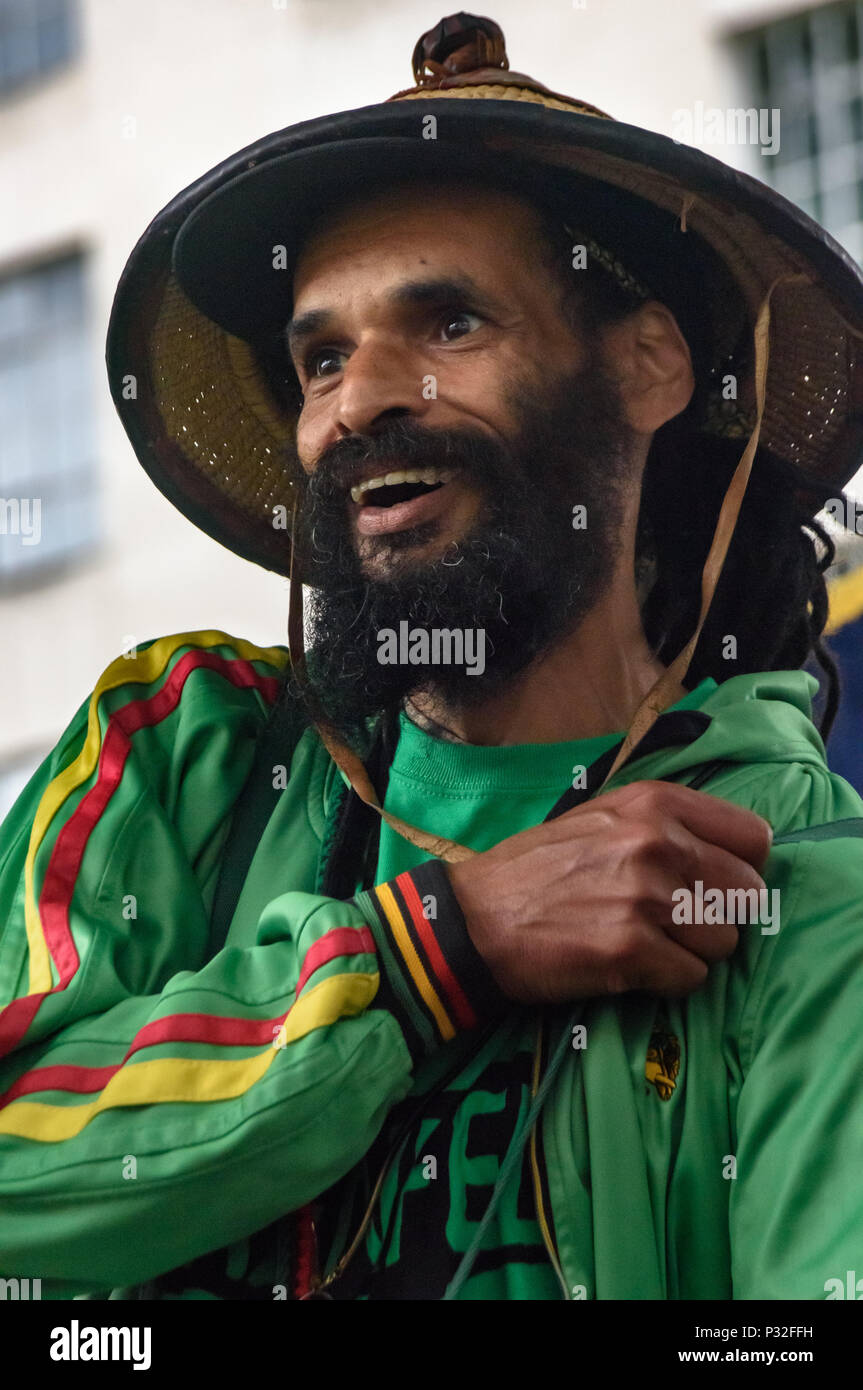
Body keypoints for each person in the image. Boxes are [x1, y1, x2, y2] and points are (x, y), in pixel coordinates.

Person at [2, 12, 863, 1302]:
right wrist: (436, 953)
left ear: (647, 367)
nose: (358, 403)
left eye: (450, 326)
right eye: (322, 358)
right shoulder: (181, 759)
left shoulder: (801, 895)